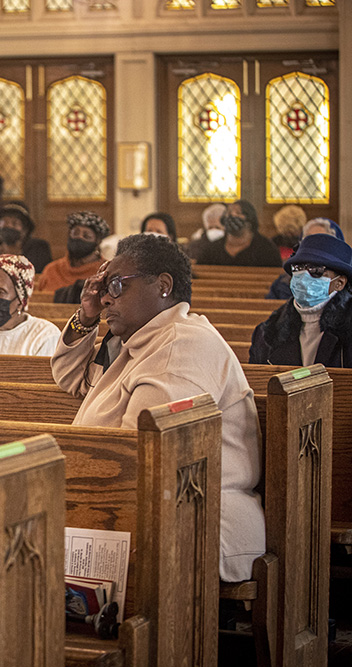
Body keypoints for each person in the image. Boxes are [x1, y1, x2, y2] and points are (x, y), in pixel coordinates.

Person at [51, 234, 264, 582]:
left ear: (163, 286)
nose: (105, 296)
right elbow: (72, 378)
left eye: (117, 285)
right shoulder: (139, 342)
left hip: (195, 515)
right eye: (104, 286)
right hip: (143, 504)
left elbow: (144, 460)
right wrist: (87, 316)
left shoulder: (180, 347)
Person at [250, 232, 352, 367]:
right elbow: (257, 382)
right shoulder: (268, 332)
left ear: (339, 283)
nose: (304, 276)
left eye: (316, 270)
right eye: (298, 268)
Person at [265, 218, 345, 300]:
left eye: (320, 242)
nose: (312, 246)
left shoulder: (341, 284)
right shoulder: (284, 283)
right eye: (308, 240)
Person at [37, 211, 110, 292]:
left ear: (97, 242)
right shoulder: (52, 270)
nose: (79, 238)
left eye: (86, 236)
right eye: (75, 233)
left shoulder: (106, 271)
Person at [197, 199, 281, 268]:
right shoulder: (212, 250)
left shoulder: (266, 249)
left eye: (238, 213)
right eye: (228, 213)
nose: (232, 216)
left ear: (250, 221)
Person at [0, 202, 53, 274]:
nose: (9, 226)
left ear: (25, 230)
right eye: (5, 222)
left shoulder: (38, 250)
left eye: (15, 223)